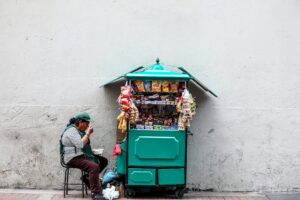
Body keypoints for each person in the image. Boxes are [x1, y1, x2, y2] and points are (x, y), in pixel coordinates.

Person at [61, 112, 108, 200]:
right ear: (80, 122)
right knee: (93, 167)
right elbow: (80, 144)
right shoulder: (71, 131)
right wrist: (88, 133)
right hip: (72, 158)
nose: (87, 125)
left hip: (79, 155)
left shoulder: (76, 130)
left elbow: (81, 145)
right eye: (87, 123)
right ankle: (95, 193)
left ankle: (87, 177)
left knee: (103, 161)